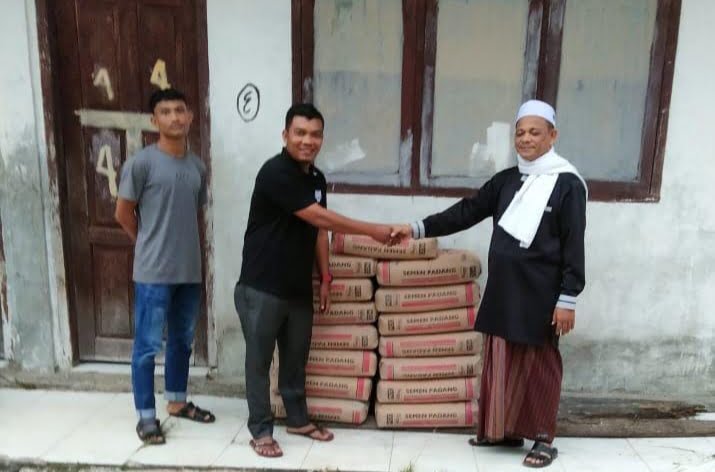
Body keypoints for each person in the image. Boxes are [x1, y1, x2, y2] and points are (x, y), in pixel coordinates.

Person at [393, 100, 586, 468]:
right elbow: (467, 211)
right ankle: (503, 430)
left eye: (534, 132)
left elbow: (573, 242)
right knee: (500, 360)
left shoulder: (568, 184)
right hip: (503, 288)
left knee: (539, 366)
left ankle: (543, 439)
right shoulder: (506, 181)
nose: (525, 139)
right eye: (520, 132)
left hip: (540, 294)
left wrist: (568, 298)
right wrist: (418, 229)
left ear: (552, 136)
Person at [235, 103, 397, 458]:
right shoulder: (275, 173)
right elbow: (319, 217)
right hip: (261, 287)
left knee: (296, 359)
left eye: (315, 134)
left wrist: (325, 276)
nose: (307, 141)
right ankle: (261, 431)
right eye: (300, 133)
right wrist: (372, 230)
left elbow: (319, 231)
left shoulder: (316, 179)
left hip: (297, 288)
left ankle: (297, 420)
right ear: (285, 135)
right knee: (258, 363)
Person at [115, 88, 214, 445]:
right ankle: (146, 417)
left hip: (189, 270)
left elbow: (192, 213)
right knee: (146, 346)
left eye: (180, 110)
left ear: (190, 117)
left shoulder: (197, 167)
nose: (175, 117)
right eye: (166, 112)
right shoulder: (141, 164)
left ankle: (177, 401)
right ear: (154, 120)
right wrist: (145, 242)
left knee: (182, 341)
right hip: (153, 273)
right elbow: (123, 213)